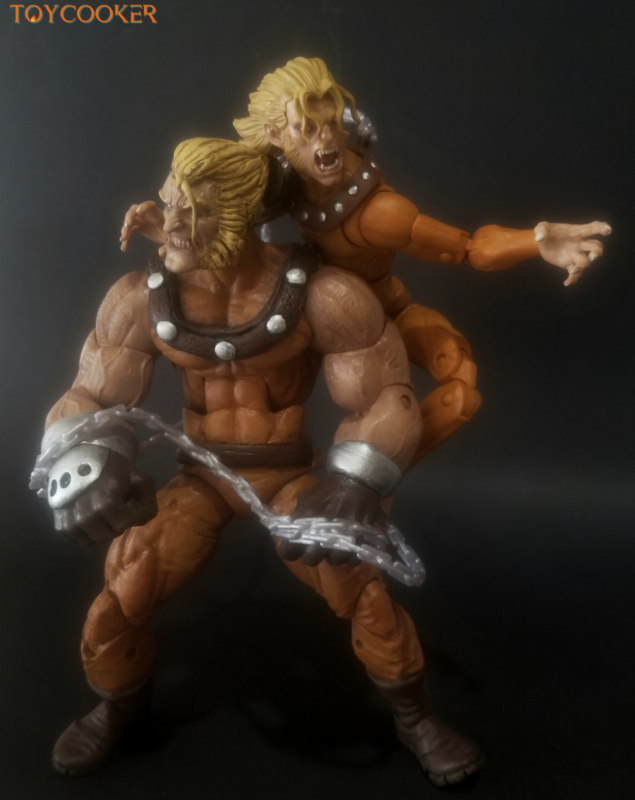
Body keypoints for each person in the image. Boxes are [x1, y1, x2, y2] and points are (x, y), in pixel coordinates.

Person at [38, 137, 480, 786]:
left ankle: (415, 718)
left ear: (243, 215)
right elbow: (91, 395)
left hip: (287, 474)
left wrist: (355, 479)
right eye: (169, 201)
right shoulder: (138, 297)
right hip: (200, 476)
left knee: (359, 590)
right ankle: (117, 707)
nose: (168, 221)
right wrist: (82, 463)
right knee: (120, 593)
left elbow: (386, 396)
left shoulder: (325, 295)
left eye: (193, 210)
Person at [122, 57, 610, 464]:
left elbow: (467, 248)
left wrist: (535, 240)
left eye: (332, 123)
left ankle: (368, 478)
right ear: (275, 134)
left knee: (460, 388)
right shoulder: (279, 177)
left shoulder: (379, 214)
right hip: (307, 311)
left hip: (377, 316)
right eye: (308, 129)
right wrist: (169, 228)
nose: (326, 141)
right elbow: (225, 217)